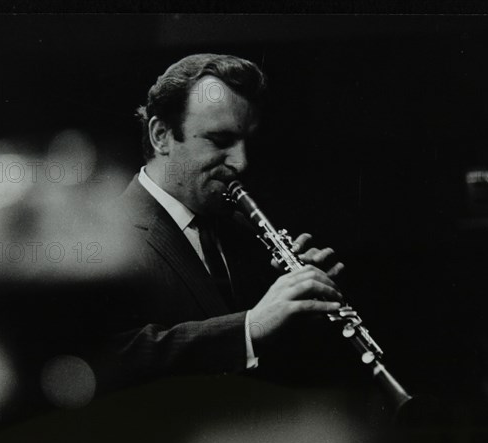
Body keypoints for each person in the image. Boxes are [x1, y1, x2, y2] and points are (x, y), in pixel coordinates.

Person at [95, 53, 347, 391]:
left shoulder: (239, 227)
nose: (241, 163)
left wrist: (301, 306)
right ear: (161, 135)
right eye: (220, 141)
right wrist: (250, 326)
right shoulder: (107, 237)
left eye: (246, 143)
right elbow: (112, 355)